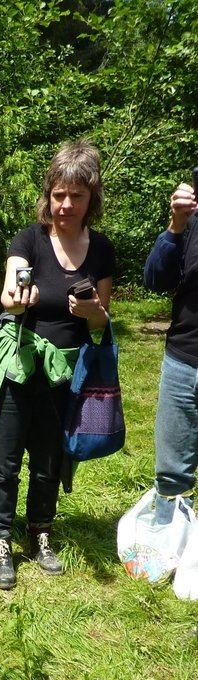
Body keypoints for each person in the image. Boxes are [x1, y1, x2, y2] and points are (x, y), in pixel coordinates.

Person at [0, 140, 115, 589]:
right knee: (5, 462)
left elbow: (102, 323)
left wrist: (94, 313)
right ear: (49, 194)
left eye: (75, 196)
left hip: (67, 375)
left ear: (90, 198)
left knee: (48, 461)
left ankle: (41, 531)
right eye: (58, 194)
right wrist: (19, 301)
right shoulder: (29, 239)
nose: (65, 205)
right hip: (20, 367)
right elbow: (8, 292)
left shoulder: (100, 250)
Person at [143, 177, 198, 519]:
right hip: (183, 357)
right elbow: (155, 280)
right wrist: (176, 226)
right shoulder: (190, 222)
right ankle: (172, 542)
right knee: (172, 471)